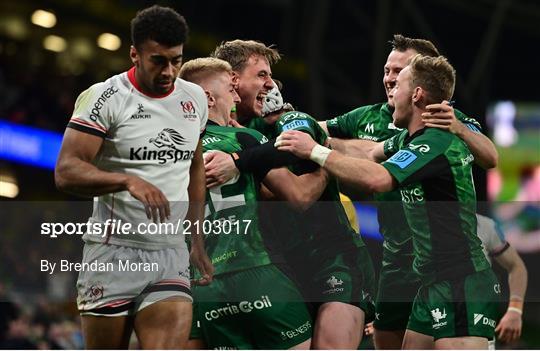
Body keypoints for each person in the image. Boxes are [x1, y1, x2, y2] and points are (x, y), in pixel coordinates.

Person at [277, 54, 501, 349]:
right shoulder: (408, 139)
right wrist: (290, 125)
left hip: (460, 279)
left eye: (399, 83)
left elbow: (378, 178)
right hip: (431, 281)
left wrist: (315, 152)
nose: (391, 89)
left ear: (417, 94)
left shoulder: (435, 142)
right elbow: (369, 154)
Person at [54, 5, 213, 349]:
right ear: (134, 54)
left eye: (176, 60)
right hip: (113, 252)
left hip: (169, 251)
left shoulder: (194, 98)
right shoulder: (105, 97)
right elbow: (66, 170)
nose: (169, 71)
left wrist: (196, 237)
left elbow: (194, 167)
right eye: (158, 60)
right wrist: (126, 180)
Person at [204, 61, 376, 347]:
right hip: (279, 267)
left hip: (330, 258)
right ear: (232, 81)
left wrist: (325, 161)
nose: (271, 84)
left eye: (270, 76)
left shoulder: (286, 120)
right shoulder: (222, 137)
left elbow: (299, 195)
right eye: (261, 76)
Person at [179, 57, 330, 349]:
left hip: (205, 285)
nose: (236, 96)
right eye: (230, 89)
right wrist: (326, 163)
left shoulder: (175, 147)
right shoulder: (242, 137)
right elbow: (298, 196)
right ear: (209, 98)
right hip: (257, 272)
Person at [363, 213, 528, 346]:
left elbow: (516, 266)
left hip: (468, 305)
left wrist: (515, 309)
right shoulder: (416, 226)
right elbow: (408, 275)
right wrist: (387, 317)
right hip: (430, 303)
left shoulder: (484, 225)